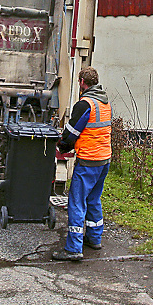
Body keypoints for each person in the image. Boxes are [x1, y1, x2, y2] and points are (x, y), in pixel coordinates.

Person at [52, 67, 111, 261]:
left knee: (76, 202)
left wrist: (61, 146)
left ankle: (74, 249)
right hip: (104, 160)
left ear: (82, 83)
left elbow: (72, 132)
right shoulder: (104, 102)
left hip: (88, 161)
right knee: (93, 199)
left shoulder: (85, 104)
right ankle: (94, 238)